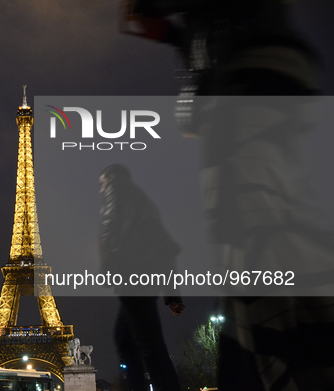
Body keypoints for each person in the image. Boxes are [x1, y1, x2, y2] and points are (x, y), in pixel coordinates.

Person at [120, 1, 334, 389]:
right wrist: (171, 35)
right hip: (260, 74)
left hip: (248, 82)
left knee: (252, 240)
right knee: (265, 236)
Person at [98, 164, 185, 391]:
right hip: (147, 277)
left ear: (113, 177)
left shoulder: (117, 189)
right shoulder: (144, 203)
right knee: (125, 338)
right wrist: (172, 293)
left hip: (132, 274)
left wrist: (108, 263)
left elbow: (109, 225)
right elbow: (166, 248)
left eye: (102, 183)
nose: (102, 189)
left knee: (149, 343)